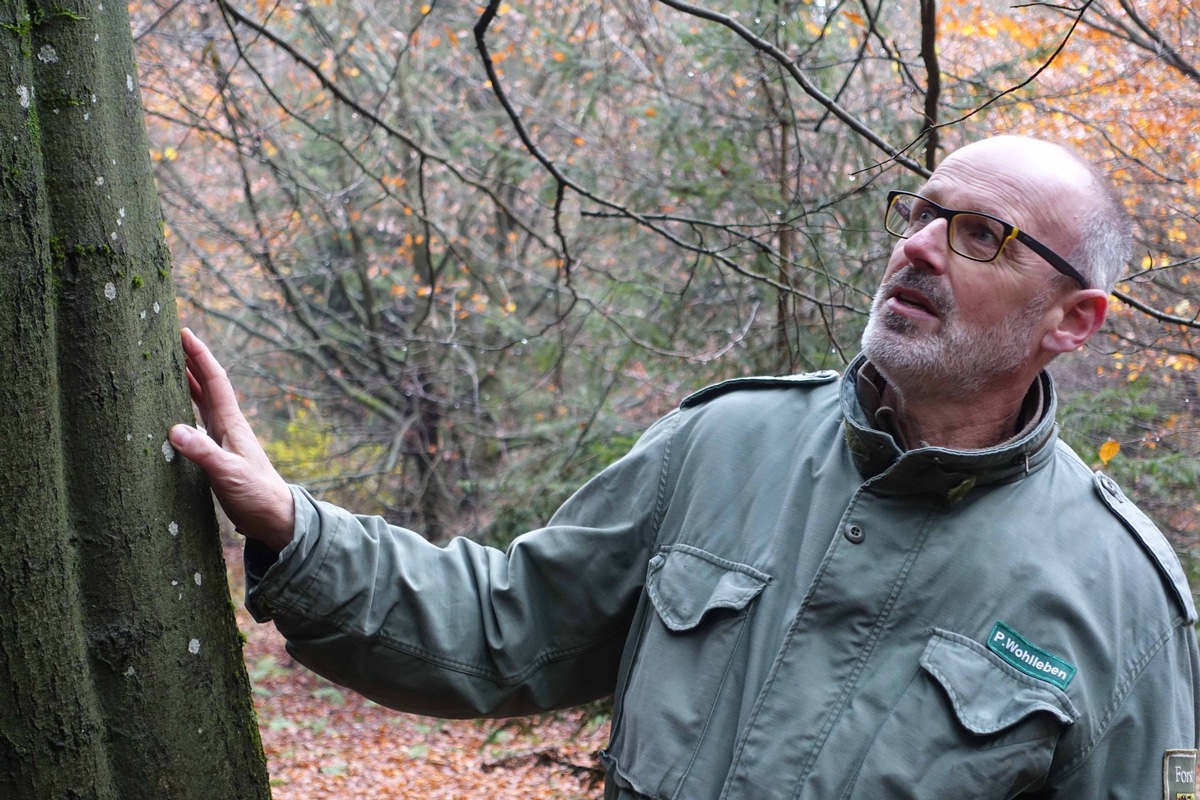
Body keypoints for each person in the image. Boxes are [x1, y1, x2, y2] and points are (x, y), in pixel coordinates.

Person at [169, 135, 1200, 799]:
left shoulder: (1125, 603)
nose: (919, 248)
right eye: (920, 213)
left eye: (982, 234)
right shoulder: (728, 444)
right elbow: (504, 626)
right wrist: (295, 528)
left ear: (1074, 320)